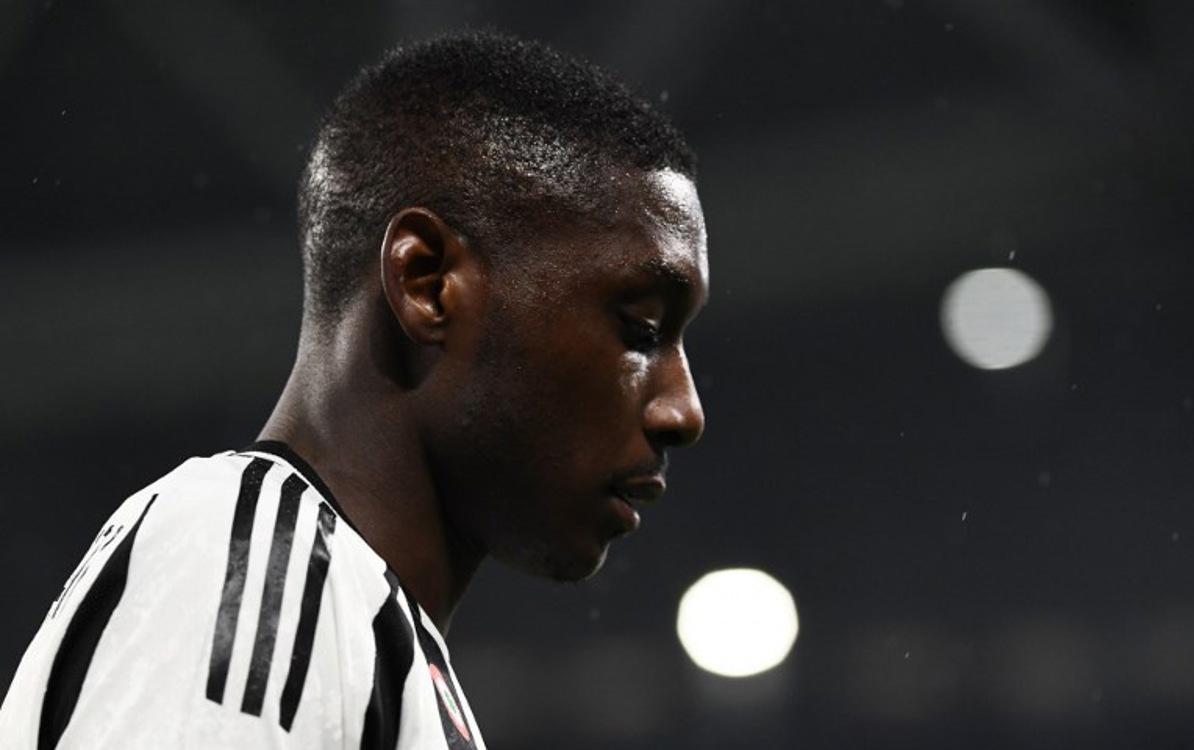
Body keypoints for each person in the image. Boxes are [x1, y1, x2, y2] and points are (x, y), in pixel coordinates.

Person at [0, 30, 707, 748]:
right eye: (642, 329)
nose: (685, 411)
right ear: (427, 283)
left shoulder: (354, 630)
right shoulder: (258, 567)